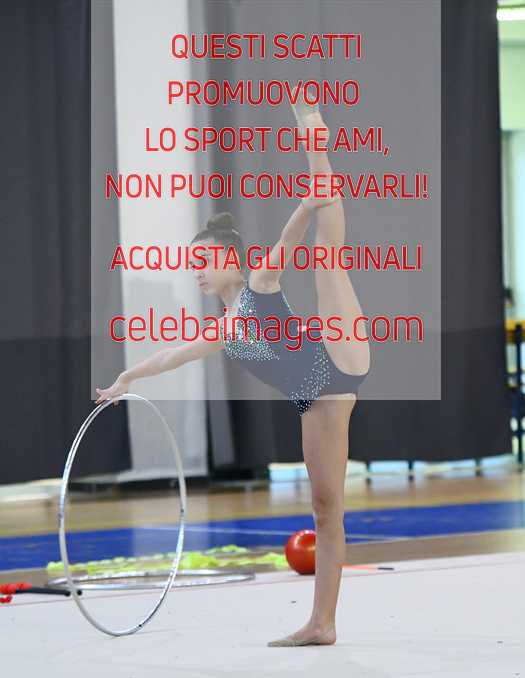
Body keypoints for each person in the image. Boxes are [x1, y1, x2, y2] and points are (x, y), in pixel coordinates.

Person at [95, 93, 371, 647]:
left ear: (230, 261)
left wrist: (305, 204)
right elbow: (171, 354)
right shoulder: (225, 327)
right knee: (325, 509)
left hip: (337, 357)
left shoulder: (259, 287)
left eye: (203, 261)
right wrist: (128, 379)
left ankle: (312, 131)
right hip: (316, 400)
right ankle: (322, 624)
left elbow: (289, 241)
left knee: (328, 254)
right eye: (192, 264)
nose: (196, 271)